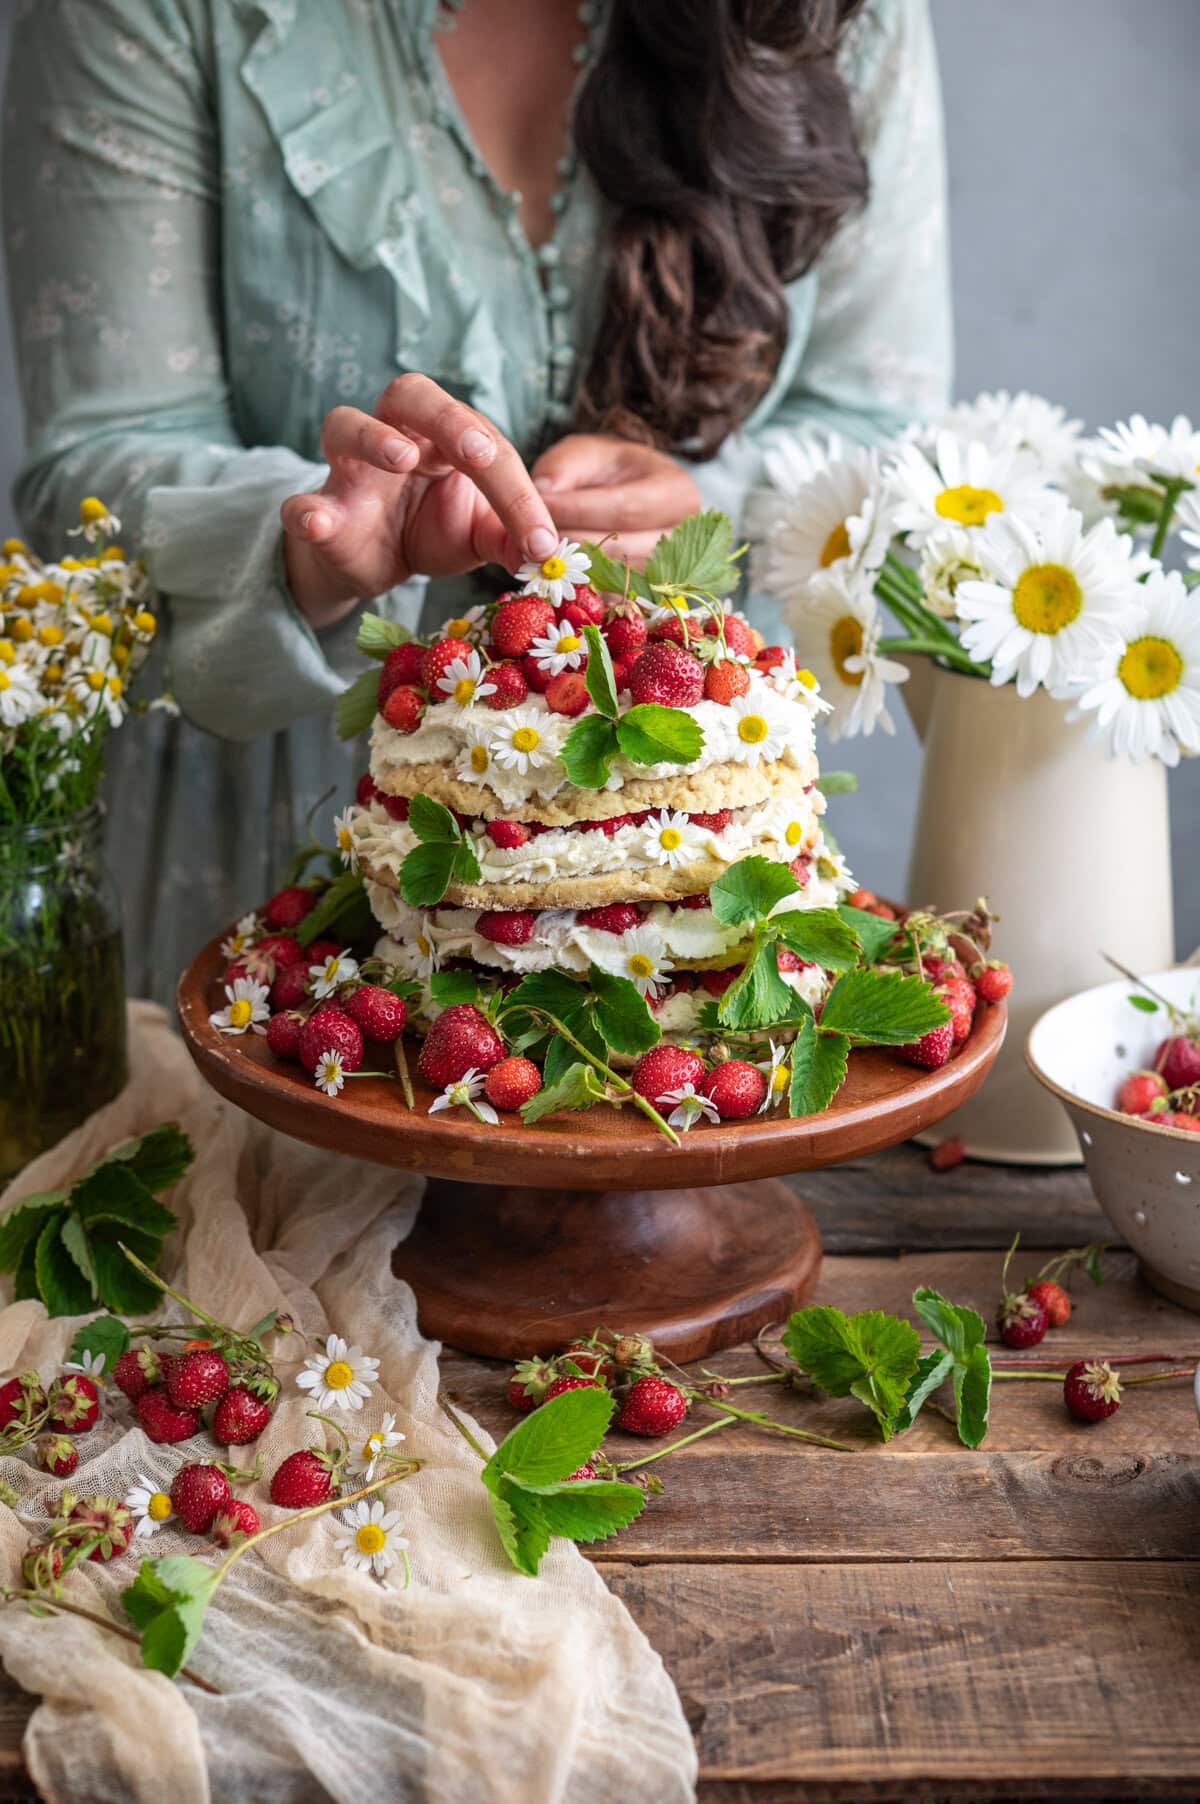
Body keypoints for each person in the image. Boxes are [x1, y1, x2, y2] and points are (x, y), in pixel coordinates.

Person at [2, 0, 950, 1000]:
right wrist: (309, 544)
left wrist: (708, 506)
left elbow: (888, 433)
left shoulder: (822, 15)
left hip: (703, 926)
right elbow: (91, 465)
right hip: (273, 904)